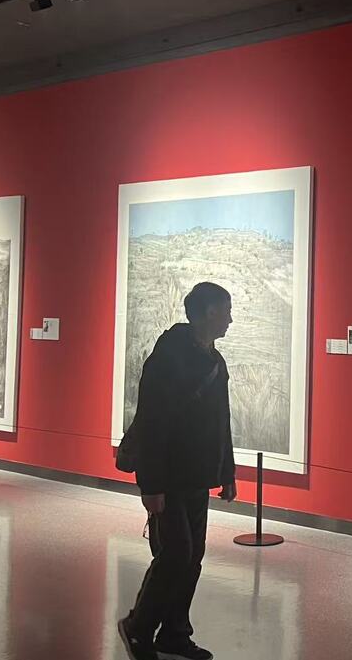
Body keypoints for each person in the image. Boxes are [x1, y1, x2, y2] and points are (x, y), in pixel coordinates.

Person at [118, 282, 237, 660]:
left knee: (192, 555)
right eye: (226, 311)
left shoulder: (215, 361)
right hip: (168, 477)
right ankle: (138, 627)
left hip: (198, 475)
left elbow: (221, 420)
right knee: (175, 554)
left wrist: (227, 472)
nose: (230, 319)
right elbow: (152, 423)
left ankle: (174, 633)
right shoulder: (168, 357)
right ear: (208, 313)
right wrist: (150, 485)